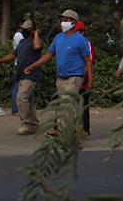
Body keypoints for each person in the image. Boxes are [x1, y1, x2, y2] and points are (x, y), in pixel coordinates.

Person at [23, 10, 93, 138]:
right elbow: (48, 56)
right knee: (64, 104)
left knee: (67, 103)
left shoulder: (80, 40)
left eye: (66, 20)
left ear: (73, 22)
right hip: (61, 77)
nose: (63, 22)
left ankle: (63, 132)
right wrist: (33, 66)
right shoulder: (58, 38)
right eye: (62, 20)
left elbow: (88, 61)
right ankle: (74, 130)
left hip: (75, 77)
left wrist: (89, 80)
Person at [0, 20, 42, 135]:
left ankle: (26, 123)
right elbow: (12, 55)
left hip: (31, 75)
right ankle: (34, 124)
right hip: (21, 75)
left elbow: (37, 46)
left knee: (21, 98)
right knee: (29, 100)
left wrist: (36, 34)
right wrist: (0, 61)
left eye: (26, 29)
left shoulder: (35, 41)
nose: (23, 31)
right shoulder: (22, 43)